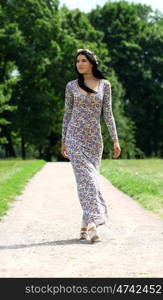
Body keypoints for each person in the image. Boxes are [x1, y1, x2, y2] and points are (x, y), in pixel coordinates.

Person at [61, 48, 121, 243]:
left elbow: (108, 114)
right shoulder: (71, 86)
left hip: (94, 140)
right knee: (85, 180)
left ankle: (84, 225)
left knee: (92, 181)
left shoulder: (105, 85)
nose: (79, 64)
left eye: (83, 60)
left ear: (92, 63)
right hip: (74, 137)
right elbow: (67, 114)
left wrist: (115, 139)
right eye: (77, 61)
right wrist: (63, 140)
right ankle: (95, 223)